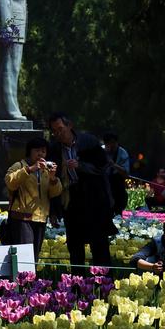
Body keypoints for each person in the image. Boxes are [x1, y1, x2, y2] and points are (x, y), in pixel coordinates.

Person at [48, 112, 117, 272]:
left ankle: (104, 285)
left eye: (60, 129)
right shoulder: (54, 149)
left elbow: (103, 167)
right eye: (54, 131)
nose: (58, 134)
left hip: (94, 200)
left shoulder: (89, 142)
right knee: (75, 247)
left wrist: (81, 166)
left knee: (99, 245)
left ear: (69, 126)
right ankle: (77, 288)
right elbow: (51, 182)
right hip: (71, 201)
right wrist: (54, 210)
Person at [4, 137, 63, 260]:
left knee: (34, 257)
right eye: (37, 150)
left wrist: (53, 178)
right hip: (22, 218)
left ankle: (30, 279)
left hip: (40, 219)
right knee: (24, 256)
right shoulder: (19, 165)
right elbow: (10, 182)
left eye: (43, 151)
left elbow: (55, 193)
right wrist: (30, 169)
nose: (40, 154)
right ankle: (21, 279)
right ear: (29, 152)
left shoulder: (46, 170)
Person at [103, 132, 130, 216]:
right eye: (109, 143)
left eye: (113, 142)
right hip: (104, 181)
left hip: (117, 182)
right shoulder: (101, 151)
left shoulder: (123, 153)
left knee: (119, 204)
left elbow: (126, 173)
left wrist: (114, 165)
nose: (111, 145)